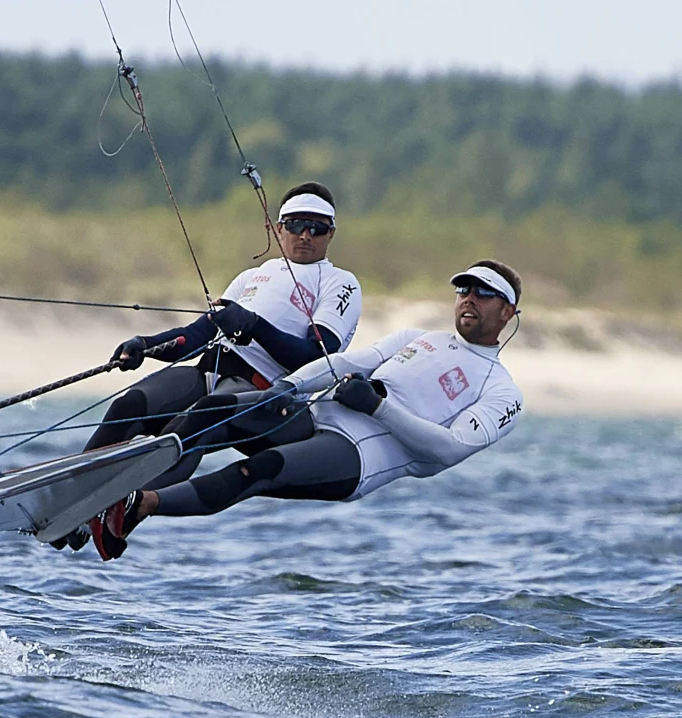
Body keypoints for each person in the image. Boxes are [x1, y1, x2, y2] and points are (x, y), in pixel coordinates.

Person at [91, 260, 524, 559]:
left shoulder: (502, 392)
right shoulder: (418, 335)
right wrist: (288, 387)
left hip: (357, 458)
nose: (470, 298)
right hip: (315, 417)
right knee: (214, 410)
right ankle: (110, 498)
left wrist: (378, 408)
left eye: (485, 293)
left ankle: (140, 503)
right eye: (464, 289)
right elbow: (346, 363)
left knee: (256, 471)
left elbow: (446, 451)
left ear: (507, 312)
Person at [56, 182, 363, 552]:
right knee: (129, 405)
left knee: (195, 423)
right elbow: (198, 334)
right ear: (276, 229)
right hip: (210, 372)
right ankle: (68, 496)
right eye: (296, 224)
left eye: (316, 227)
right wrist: (146, 346)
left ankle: (117, 513)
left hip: (266, 394)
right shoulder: (253, 277)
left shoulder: (340, 283)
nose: (305, 235)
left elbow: (318, 355)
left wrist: (253, 325)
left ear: (331, 233)